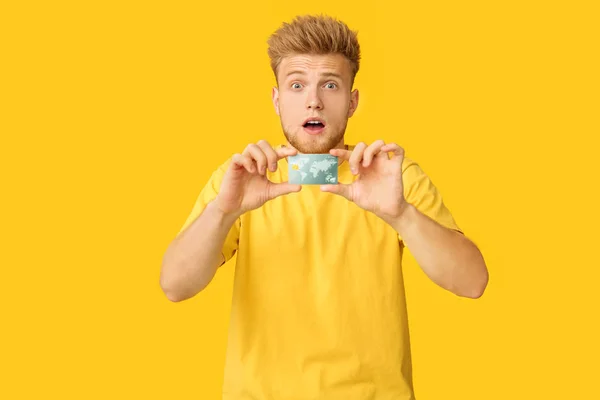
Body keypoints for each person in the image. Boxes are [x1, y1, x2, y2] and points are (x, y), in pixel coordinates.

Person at [160, 14, 488, 400]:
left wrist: (400, 213)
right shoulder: (241, 179)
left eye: (329, 85)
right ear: (277, 100)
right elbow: (175, 286)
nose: (313, 100)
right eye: (297, 85)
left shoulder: (391, 176)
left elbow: (472, 283)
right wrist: (223, 211)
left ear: (351, 102)